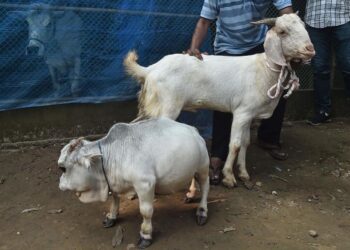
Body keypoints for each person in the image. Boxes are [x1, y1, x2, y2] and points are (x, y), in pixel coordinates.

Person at [187, 0, 294, 185]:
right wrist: (194, 48)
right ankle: (218, 157)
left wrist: (289, 26)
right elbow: (204, 21)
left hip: (259, 45)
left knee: (277, 87)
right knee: (222, 99)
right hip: (228, 47)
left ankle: (268, 138)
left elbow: (287, 12)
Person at [305, 0, 350, 125]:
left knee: (348, 64)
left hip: (343, 16)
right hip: (315, 18)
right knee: (320, 68)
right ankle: (323, 111)